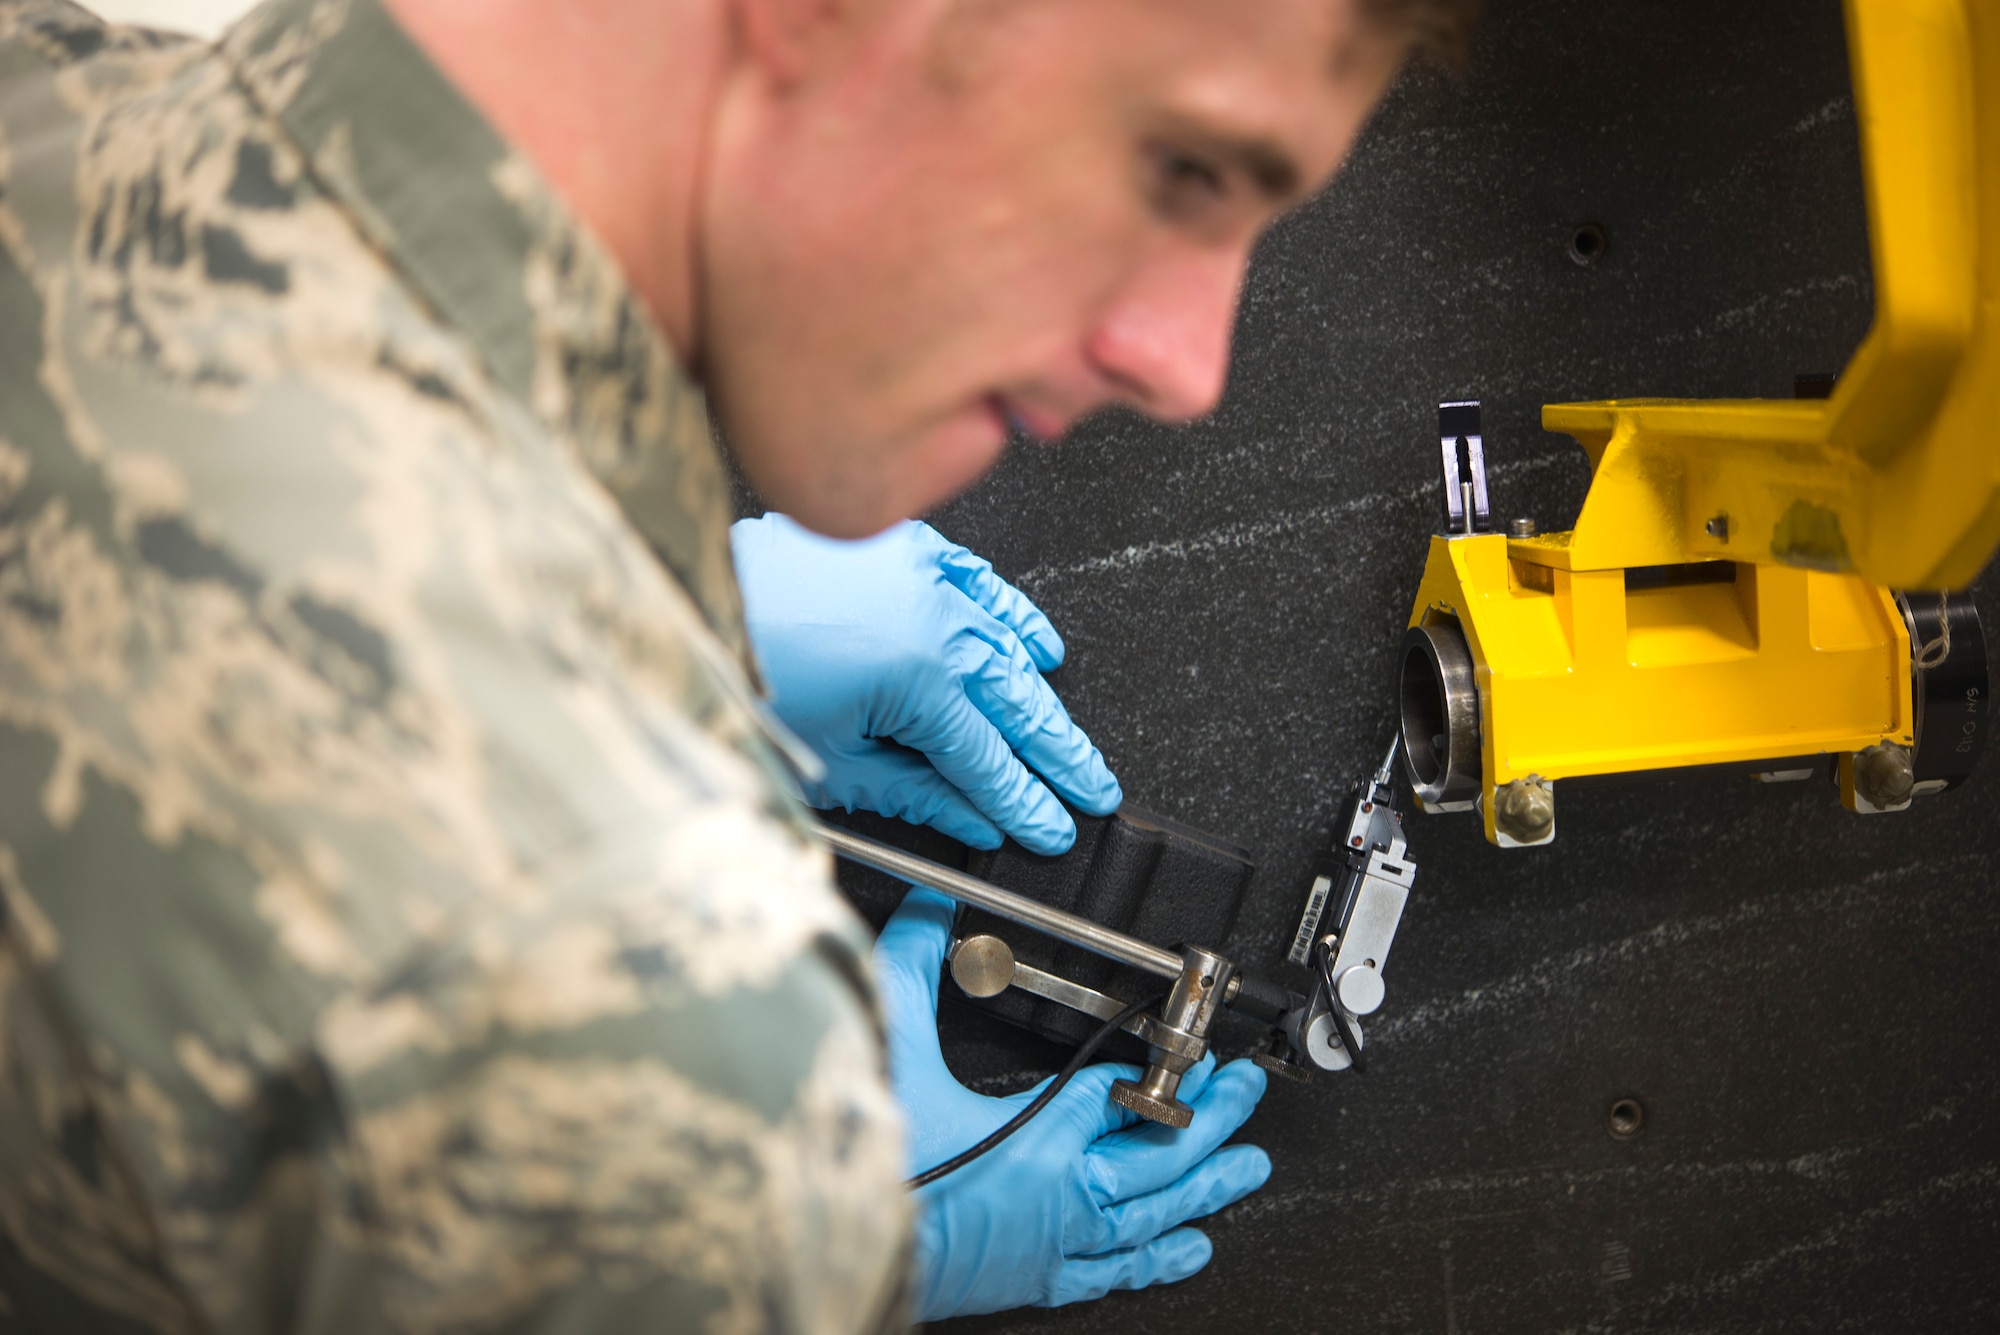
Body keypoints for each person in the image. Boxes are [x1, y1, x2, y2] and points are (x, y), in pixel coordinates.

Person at [0, 0, 1474, 1330]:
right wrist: (793, 1250)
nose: (1183, 359)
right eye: (1181, 172)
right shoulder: (621, 1033)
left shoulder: (47, 86)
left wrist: (660, 630)